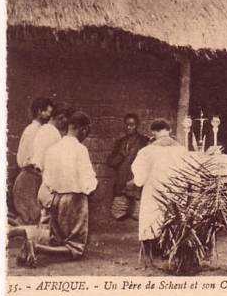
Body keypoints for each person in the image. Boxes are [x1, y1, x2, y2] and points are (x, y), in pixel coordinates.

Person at [27, 111, 97, 263]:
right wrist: (90, 190)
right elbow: (88, 178)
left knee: (58, 239)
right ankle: (36, 247)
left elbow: (48, 178)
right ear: (82, 129)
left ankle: (35, 246)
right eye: (87, 131)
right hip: (75, 199)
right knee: (76, 248)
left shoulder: (53, 148)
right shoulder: (80, 149)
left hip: (56, 197)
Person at [131, 119, 187, 259]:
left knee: (152, 213)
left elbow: (139, 176)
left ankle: (153, 246)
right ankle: (172, 245)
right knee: (173, 214)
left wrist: (139, 182)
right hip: (176, 190)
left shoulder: (147, 151)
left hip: (155, 190)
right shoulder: (182, 149)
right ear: (169, 131)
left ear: (154, 132)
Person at [12, 97, 54, 224]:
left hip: (35, 177)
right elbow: (26, 158)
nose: (49, 115)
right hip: (29, 178)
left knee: (35, 218)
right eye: (48, 112)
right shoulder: (32, 131)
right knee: (29, 216)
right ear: (40, 111)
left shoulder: (41, 130)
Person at [107, 113, 149, 220]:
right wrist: (121, 156)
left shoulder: (144, 141)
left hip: (138, 184)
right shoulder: (120, 142)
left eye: (132, 125)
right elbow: (110, 162)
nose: (129, 127)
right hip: (122, 184)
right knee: (117, 215)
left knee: (139, 216)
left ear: (137, 125)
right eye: (126, 125)